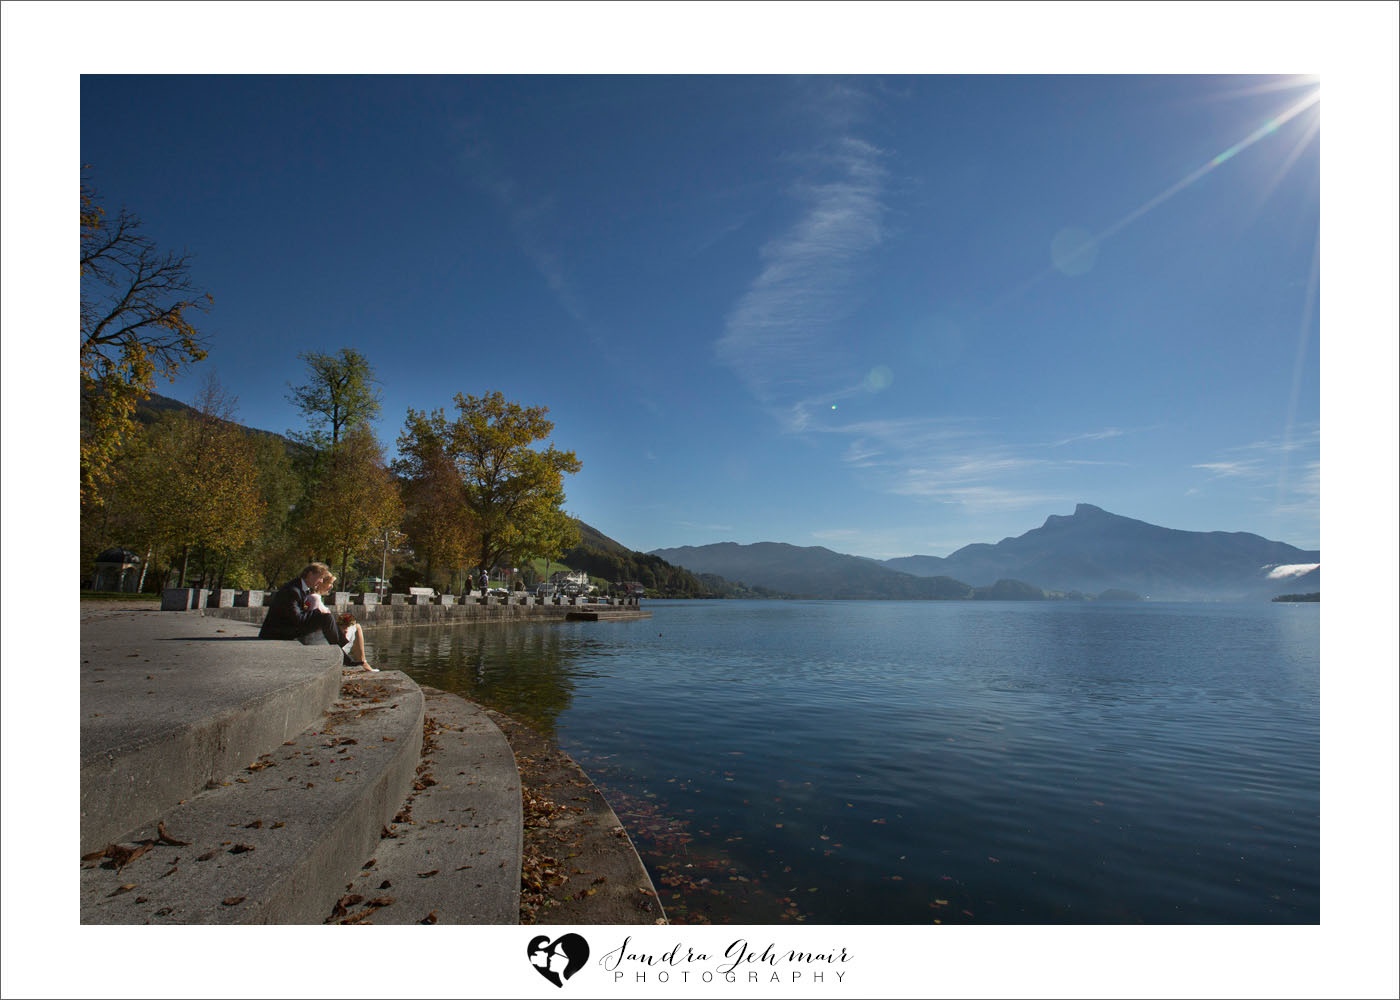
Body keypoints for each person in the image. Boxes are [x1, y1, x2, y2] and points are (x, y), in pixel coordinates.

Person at [259, 562, 374, 671]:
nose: (321, 581)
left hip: (285, 627)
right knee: (325, 617)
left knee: (325, 617)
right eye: (320, 577)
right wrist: (318, 614)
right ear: (310, 574)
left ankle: (344, 655)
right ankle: (343, 653)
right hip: (278, 631)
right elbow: (297, 619)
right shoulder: (292, 590)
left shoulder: (299, 588)